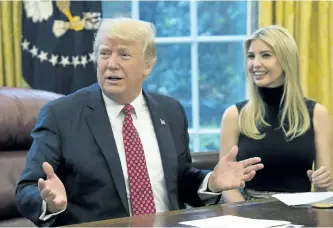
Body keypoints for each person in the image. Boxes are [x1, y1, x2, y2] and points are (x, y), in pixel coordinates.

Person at [15, 18, 264, 227]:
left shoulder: (170, 111)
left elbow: (181, 181)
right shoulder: (61, 115)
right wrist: (47, 201)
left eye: (124, 54)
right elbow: (27, 188)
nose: (111, 64)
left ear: (148, 66)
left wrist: (211, 182)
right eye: (104, 53)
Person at [220, 25, 332, 203]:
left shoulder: (318, 114)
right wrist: (246, 216)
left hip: (302, 209)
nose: (255, 64)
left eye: (265, 55)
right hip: (248, 210)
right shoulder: (234, 115)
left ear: (286, 60)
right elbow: (226, 185)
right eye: (251, 56)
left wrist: (324, 183)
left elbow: (323, 188)